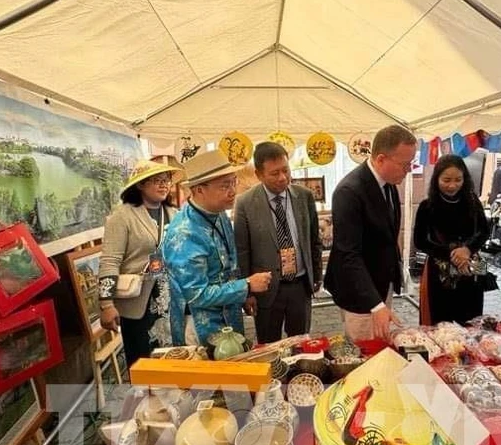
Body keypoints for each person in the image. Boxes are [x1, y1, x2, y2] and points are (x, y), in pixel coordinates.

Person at [162, 150, 272, 345]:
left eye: (233, 182)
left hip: (228, 316)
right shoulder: (184, 233)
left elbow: (230, 262)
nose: (233, 191)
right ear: (198, 190)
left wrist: (244, 295)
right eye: (224, 186)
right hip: (201, 326)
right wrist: (246, 285)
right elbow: (196, 295)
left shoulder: (218, 213)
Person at [324, 124, 417, 341]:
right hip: (360, 293)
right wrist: (376, 305)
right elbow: (348, 254)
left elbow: (387, 237)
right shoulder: (350, 191)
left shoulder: (389, 183)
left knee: (381, 346)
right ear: (381, 159)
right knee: (365, 353)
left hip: (382, 284)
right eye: (405, 164)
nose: (409, 170)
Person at [234, 142, 323, 343]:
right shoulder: (245, 203)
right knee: (268, 345)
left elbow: (314, 240)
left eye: (285, 170)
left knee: (301, 343)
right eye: (274, 173)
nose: (283, 177)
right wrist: (247, 292)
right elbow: (242, 251)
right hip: (266, 291)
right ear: (259, 174)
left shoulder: (304, 196)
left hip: (300, 286)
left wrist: (316, 275)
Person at [99, 160, 184, 367]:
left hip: (171, 297)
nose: (164, 185)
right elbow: (110, 261)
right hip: (139, 300)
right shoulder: (122, 217)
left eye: (167, 180)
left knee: (175, 356)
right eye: (157, 181)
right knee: (143, 361)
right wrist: (106, 305)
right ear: (140, 185)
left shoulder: (175, 215)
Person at [413, 155, 490, 325]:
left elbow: (484, 231)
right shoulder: (427, 206)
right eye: (446, 180)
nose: (452, 185)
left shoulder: (472, 201)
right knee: (439, 323)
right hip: (439, 273)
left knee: (471, 321)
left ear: (465, 178)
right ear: (436, 179)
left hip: (471, 268)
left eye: (458, 179)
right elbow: (420, 241)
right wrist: (452, 254)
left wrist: (468, 249)